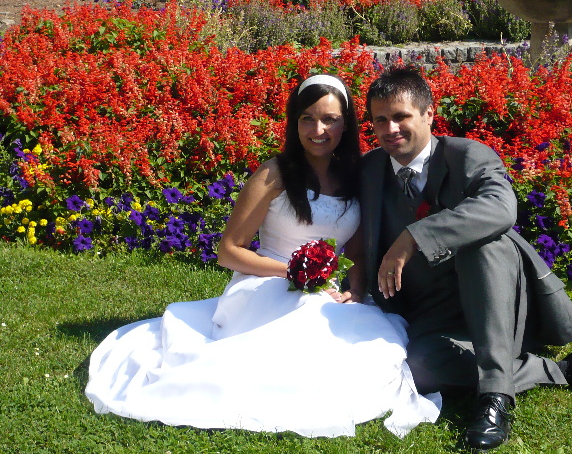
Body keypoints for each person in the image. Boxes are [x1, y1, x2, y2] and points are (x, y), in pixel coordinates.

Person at [85, 74, 441, 438]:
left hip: (328, 289)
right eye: (307, 118)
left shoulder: (354, 176)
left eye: (330, 119)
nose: (318, 130)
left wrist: (356, 290)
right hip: (265, 285)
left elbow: (356, 252)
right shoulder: (275, 174)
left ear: (346, 124)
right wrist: (294, 273)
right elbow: (229, 251)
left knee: (369, 344)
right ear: (294, 122)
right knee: (306, 329)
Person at [359, 66, 572, 452]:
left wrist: (413, 237)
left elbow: (500, 208)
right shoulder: (370, 169)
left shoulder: (468, 155)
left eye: (401, 116)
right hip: (430, 313)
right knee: (416, 370)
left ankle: (495, 397)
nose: (390, 128)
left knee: (485, 242)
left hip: (495, 295)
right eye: (380, 119)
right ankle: (566, 369)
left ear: (429, 114)